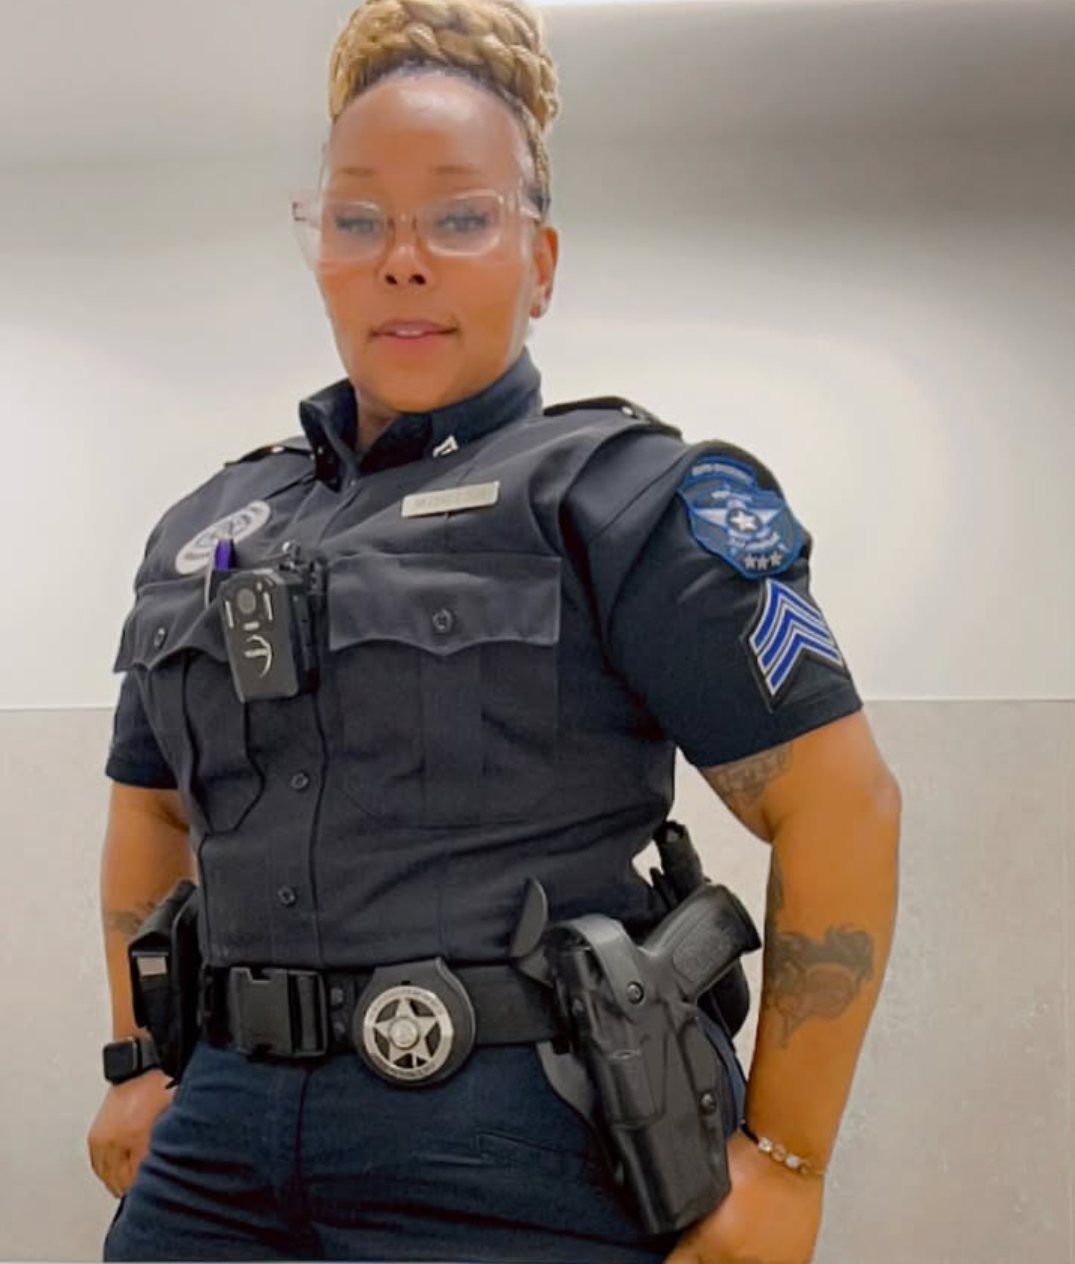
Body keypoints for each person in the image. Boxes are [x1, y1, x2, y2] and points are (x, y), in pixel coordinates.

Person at [87, 1, 901, 1261]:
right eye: (359, 218)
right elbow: (149, 813)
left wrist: (785, 1166)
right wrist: (142, 1064)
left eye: (460, 217)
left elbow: (842, 806)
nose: (401, 258)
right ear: (321, 252)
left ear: (541, 259)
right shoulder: (210, 525)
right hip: (217, 1153)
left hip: (518, 1149)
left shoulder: (626, 497)